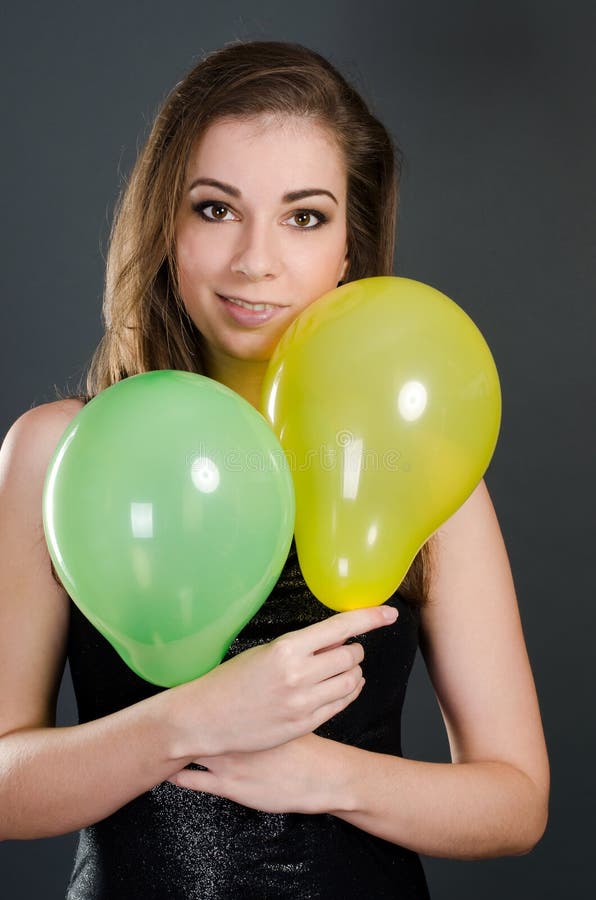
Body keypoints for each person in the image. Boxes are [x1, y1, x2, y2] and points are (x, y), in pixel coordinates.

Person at [0, 40, 549, 899]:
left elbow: (517, 804)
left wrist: (322, 776)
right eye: (216, 209)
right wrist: (185, 722)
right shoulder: (57, 452)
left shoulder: (427, 470)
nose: (256, 260)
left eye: (304, 217)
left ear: (349, 248)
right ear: (166, 227)